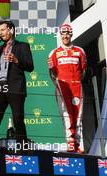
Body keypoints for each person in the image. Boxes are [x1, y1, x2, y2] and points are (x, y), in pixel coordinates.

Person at [0, 20, 34, 152]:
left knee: (18, 119)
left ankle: (22, 150)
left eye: (2, 30)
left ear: (11, 30)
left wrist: (17, 60)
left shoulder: (22, 46)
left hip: (15, 87)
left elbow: (30, 66)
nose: (0, 33)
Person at [48, 24, 87, 153]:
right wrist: (59, 85)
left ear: (71, 35)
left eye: (68, 33)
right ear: (60, 34)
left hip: (77, 85)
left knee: (78, 114)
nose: (65, 36)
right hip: (62, 86)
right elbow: (52, 73)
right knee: (66, 114)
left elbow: (83, 70)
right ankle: (70, 141)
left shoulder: (80, 51)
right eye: (63, 33)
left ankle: (78, 143)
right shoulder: (54, 53)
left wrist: (76, 81)